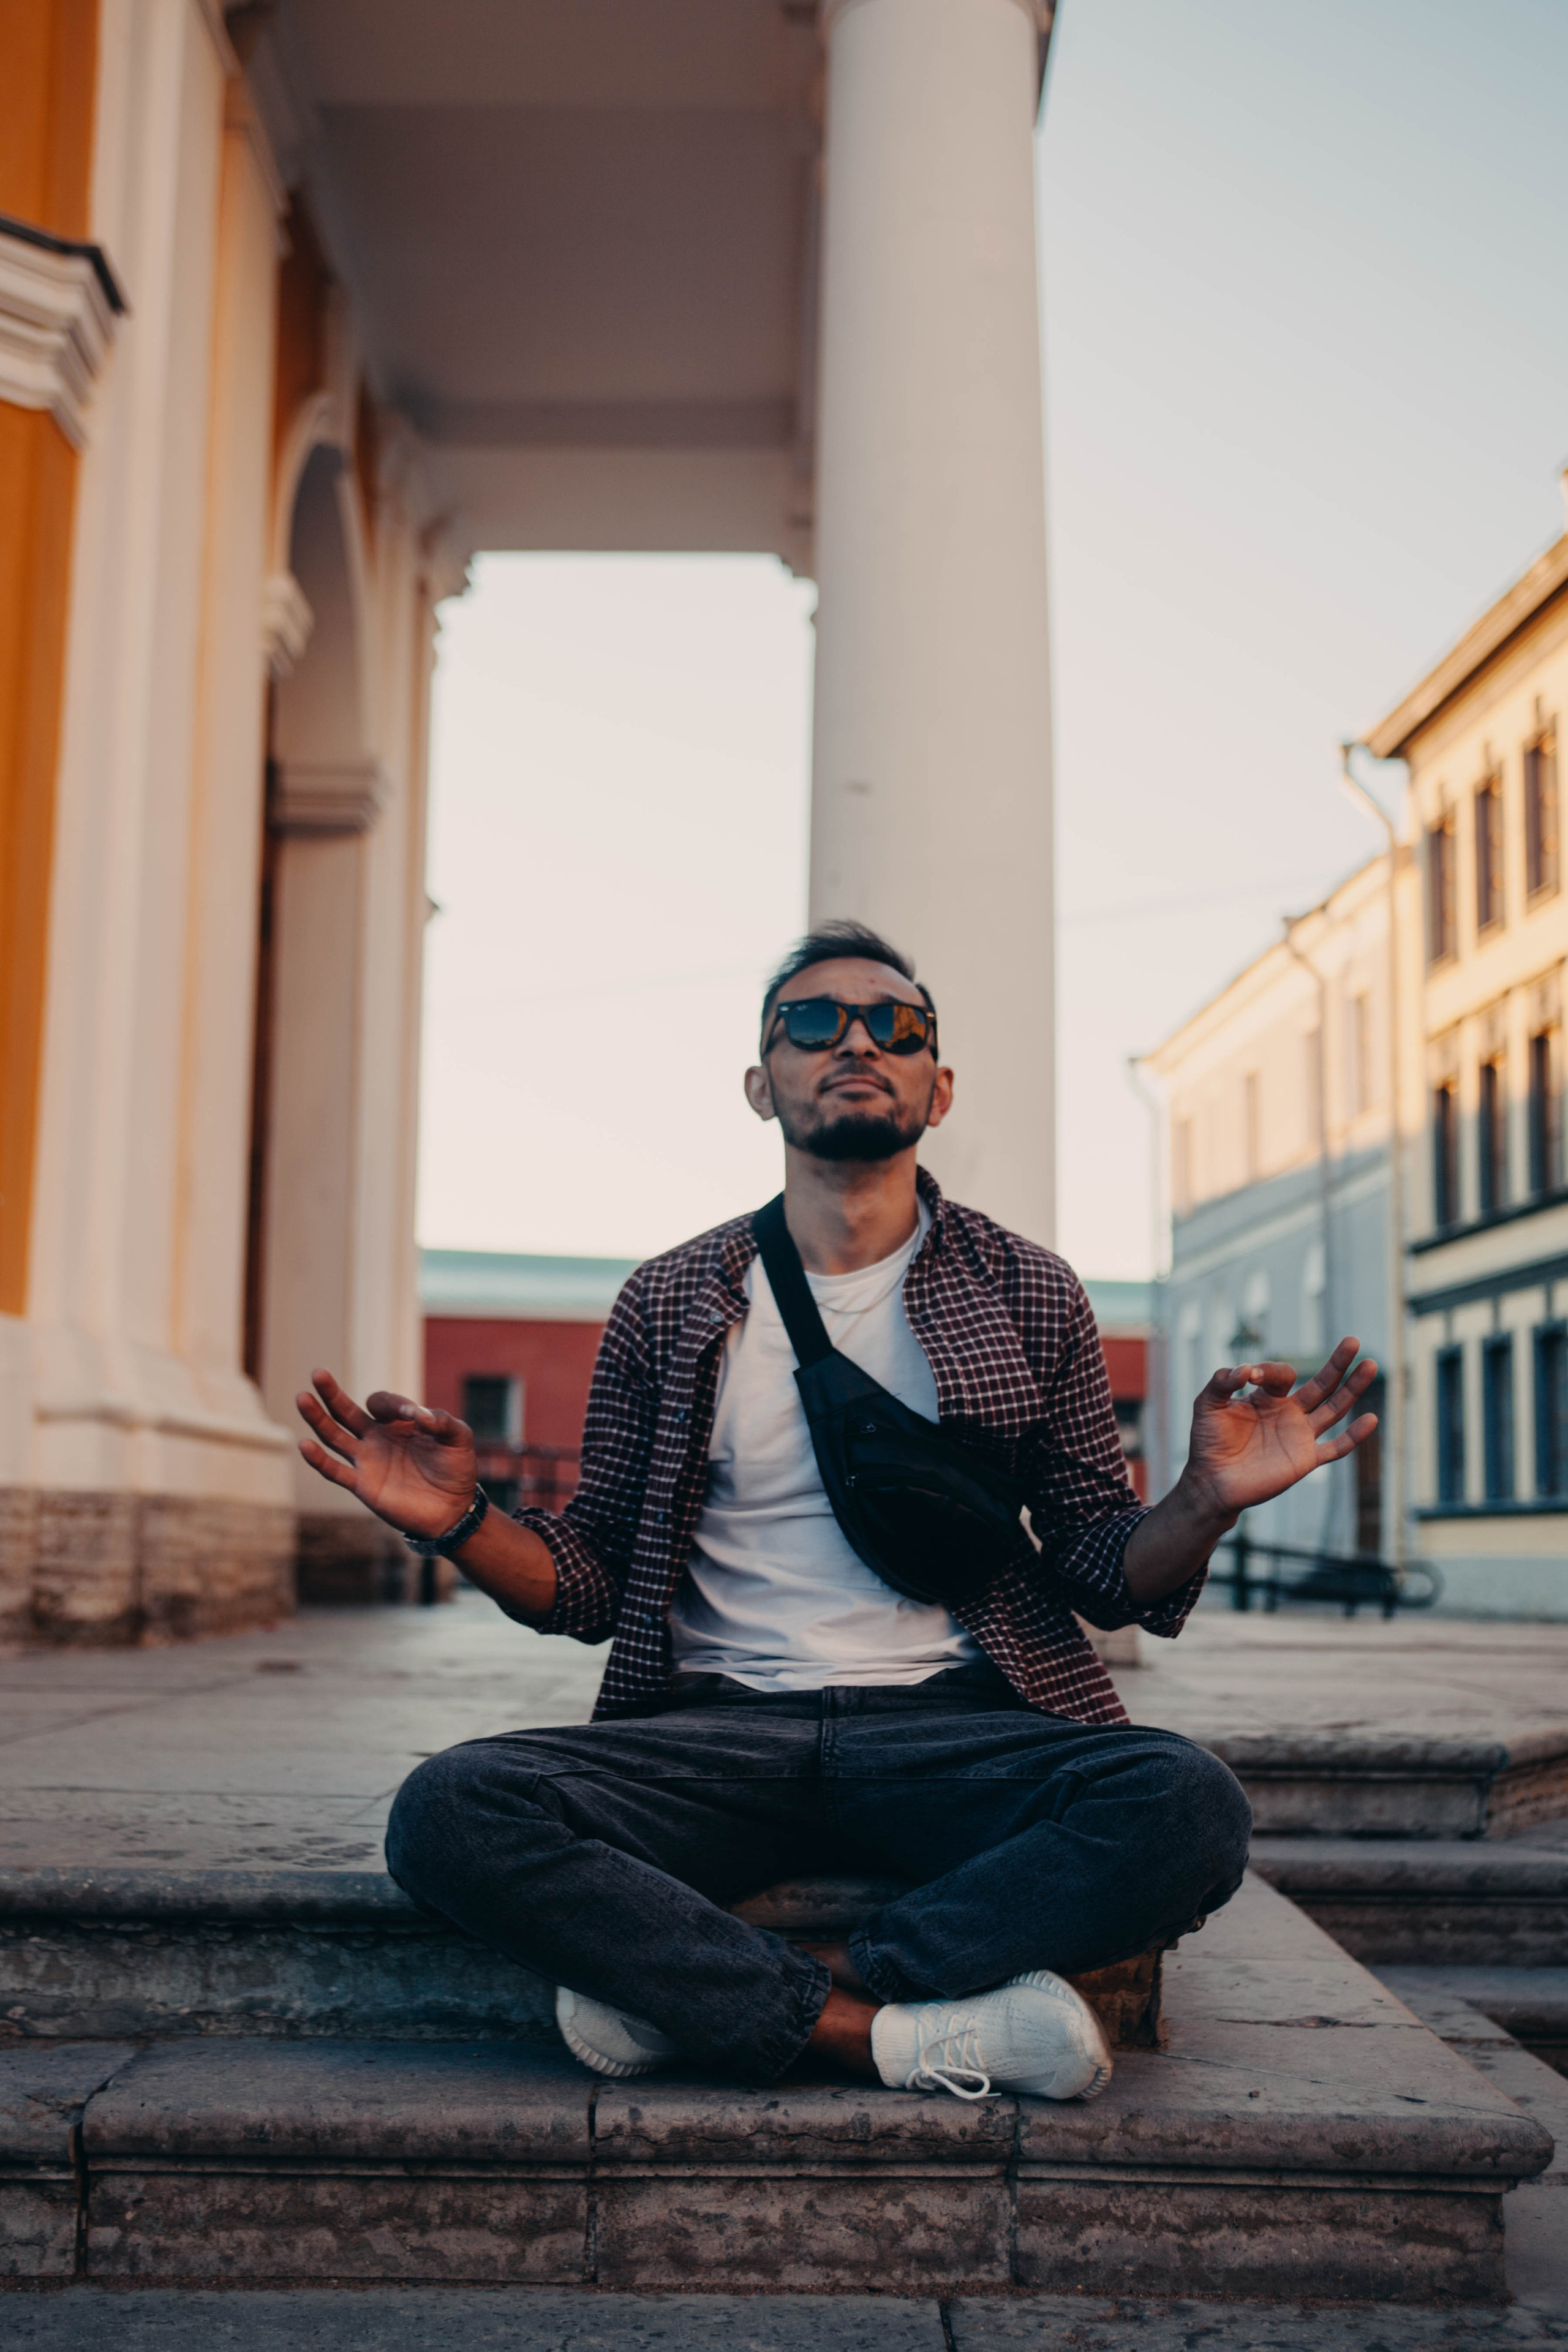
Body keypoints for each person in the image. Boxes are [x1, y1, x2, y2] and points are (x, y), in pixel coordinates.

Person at [297, 921, 1378, 2102]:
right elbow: (592, 1583)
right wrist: (459, 1522)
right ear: (762, 1083)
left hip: (954, 1727)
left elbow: (1101, 1571)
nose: (856, 1040)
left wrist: (1206, 1500)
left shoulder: (1026, 1287)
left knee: (1184, 1806)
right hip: (714, 1731)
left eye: (896, 1025)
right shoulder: (671, 1299)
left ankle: (751, 1998)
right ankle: (903, 2036)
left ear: (939, 1084)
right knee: (452, 1811)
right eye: (813, 1021)